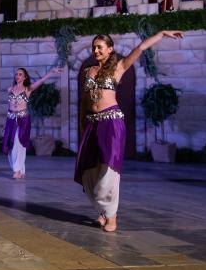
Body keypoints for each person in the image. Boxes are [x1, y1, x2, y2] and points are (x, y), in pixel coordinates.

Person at [75, 31, 183, 232]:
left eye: (100, 47)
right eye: (94, 47)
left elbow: (140, 48)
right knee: (91, 171)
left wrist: (161, 34)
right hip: (92, 123)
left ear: (110, 49)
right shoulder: (89, 71)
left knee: (109, 170)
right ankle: (103, 211)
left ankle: (112, 217)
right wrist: (82, 123)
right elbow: (85, 100)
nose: (96, 50)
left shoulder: (118, 67)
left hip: (111, 123)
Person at [2, 66, 62, 179]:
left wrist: (51, 72)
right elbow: (8, 107)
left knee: (19, 144)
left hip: (23, 119)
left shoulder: (27, 89)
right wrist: (5, 124)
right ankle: (21, 170)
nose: (17, 76)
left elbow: (41, 81)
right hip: (11, 119)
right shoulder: (10, 89)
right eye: (16, 74)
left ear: (25, 77)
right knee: (11, 145)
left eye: (20, 74)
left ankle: (17, 170)